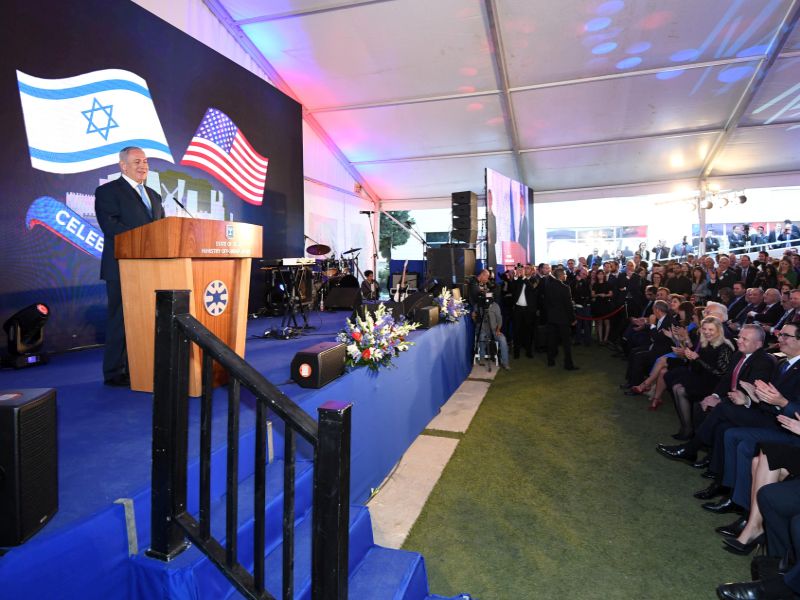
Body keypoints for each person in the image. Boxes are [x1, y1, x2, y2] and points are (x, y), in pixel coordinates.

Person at [95, 146, 164, 387]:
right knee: (120, 321)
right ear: (123, 166)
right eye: (137, 161)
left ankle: (141, 366)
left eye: (145, 161)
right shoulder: (107, 192)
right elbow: (111, 227)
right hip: (121, 268)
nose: (143, 165)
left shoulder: (154, 195)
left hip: (151, 269)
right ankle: (114, 372)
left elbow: (162, 230)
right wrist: (146, 238)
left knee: (147, 320)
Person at [543, 267, 578, 371]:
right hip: (563, 319)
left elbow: (546, 303)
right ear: (561, 275)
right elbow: (568, 306)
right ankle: (568, 364)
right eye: (564, 274)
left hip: (551, 318)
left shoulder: (548, 286)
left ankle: (550, 361)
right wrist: (573, 319)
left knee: (551, 341)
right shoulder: (565, 288)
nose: (565, 276)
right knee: (566, 343)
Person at [477, 296, 510, 370]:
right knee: (482, 336)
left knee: (503, 339)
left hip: (495, 329)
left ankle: (505, 362)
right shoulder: (480, 305)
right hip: (484, 329)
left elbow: (499, 319)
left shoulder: (496, 306)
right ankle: (482, 357)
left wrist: (498, 330)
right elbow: (476, 317)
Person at [591, 269, 613, 344]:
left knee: (607, 322)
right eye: (599, 274)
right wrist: (599, 295)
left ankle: (605, 339)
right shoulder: (595, 284)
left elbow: (611, 294)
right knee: (599, 322)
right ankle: (600, 339)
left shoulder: (608, 284)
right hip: (598, 304)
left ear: (604, 275)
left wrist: (605, 295)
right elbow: (592, 294)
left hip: (606, 304)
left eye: (601, 274)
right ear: (597, 275)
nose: (600, 275)